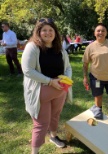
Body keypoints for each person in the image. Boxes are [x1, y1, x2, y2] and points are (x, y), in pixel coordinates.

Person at [21, 18, 72, 154]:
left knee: (55, 115)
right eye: (44, 30)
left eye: (51, 30)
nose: (48, 33)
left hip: (60, 89)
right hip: (40, 91)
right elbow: (27, 70)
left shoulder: (60, 48)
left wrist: (67, 79)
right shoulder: (32, 47)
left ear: (55, 32)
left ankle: (53, 137)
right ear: (38, 32)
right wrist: (50, 81)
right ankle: (35, 152)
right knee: (41, 123)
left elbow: (68, 67)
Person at [82, 23, 108, 121]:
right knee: (98, 96)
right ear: (94, 33)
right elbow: (85, 63)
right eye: (98, 31)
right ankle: (98, 112)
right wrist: (85, 77)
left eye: (103, 31)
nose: (100, 32)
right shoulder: (90, 47)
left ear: (106, 33)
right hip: (96, 78)